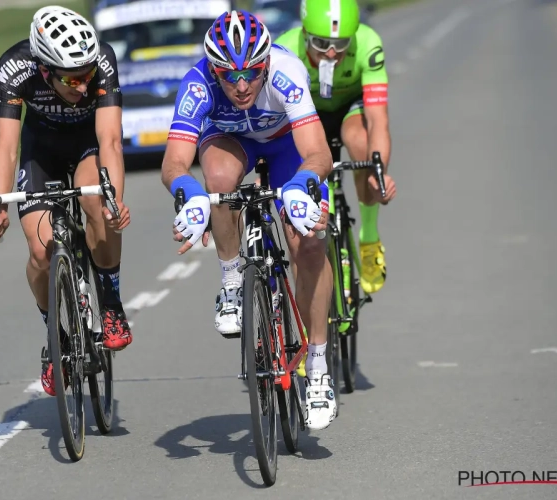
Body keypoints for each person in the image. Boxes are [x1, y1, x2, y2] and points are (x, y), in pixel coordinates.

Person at [161, 9, 337, 430]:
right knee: (217, 182)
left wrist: (303, 184)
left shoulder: (286, 71)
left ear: (265, 64)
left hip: (285, 148)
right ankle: (232, 280)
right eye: (229, 76)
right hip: (230, 142)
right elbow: (174, 162)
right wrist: (189, 196)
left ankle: (317, 367)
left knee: (307, 243)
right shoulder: (197, 83)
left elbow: (319, 153)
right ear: (213, 70)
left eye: (252, 74)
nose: (241, 86)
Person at [0, 6, 132, 397]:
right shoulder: (15, 67)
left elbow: (110, 141)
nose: (82, 86)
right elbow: (7, 147)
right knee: (40, 251)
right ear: (44, 70)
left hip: (86, 143)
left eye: (87, 76)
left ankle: (111, 301)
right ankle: (57, 335)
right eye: (71, 78)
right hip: (40, 150)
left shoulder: (102, 60)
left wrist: (114, 198)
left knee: (98, 204)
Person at [275, 0, 397, 295]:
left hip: (349, 107)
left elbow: (378, 120)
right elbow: (275, 120)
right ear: (304, 33)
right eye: (320, 43)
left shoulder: (367, 42)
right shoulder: (284, 49)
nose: (331, 53)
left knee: (359, 140)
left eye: (341, 44)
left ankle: (368, 235)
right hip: (307, 114)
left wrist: (378, 173)